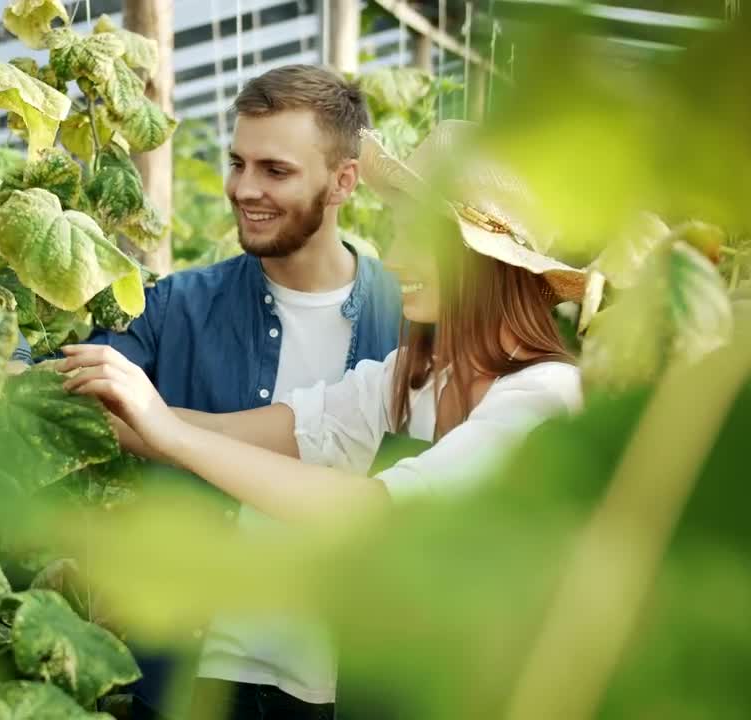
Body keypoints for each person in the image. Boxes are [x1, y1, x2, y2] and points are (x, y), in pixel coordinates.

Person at [61, 121, 587, 716]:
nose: (393, 258)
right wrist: (58, 396)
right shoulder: (409, 378)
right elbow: (240, 434)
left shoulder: (546, 397)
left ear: (482, 262)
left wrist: (168, 428)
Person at [81, 65, 404, 720]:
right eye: (237, 163)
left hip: (351, 686)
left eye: (275, 170)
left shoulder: (407, 322)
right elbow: (81, 399)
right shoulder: (172, 307)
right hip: (191, 674)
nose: (243, 189)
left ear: (343, 181)